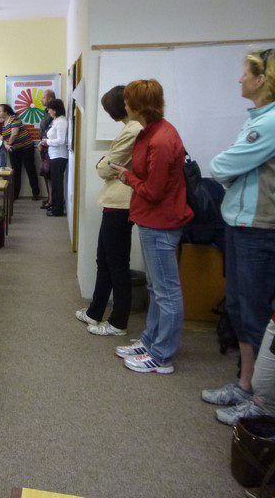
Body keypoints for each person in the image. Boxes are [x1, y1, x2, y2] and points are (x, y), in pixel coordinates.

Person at [202, 48, 275, 420]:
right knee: (239, 309)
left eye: (245, 73)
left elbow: (221, 165)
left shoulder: (271, 122)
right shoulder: (257, 119)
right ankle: (245, 386)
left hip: (258, 228)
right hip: (240, 223)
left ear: (262, 80)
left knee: (254, 312)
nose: (239, 78)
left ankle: (263, 403)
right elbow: (231, 167)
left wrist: (229, 169)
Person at [110, 79, 193, 374]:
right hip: (151, 218)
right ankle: (150, 341)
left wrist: (127, 177)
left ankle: (162, 355)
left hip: (161, 220)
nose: (125, 105)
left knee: (166, 291)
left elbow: (154, 191)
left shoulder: (161, 139)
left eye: (128, 101)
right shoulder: (152, 131)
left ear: (138, 105)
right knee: (156, 288)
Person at [75, 86, 142, 336]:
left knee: (117, 264)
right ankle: (95, 311)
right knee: (104, 260)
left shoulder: (134, 129)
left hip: (121, 203)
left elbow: (105, 169)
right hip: (115, 201)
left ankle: (118, 322)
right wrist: (106, 162)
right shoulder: (129, 128)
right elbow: (110, 163)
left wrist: (104, 162)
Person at [0, 104, 41, 201]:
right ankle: (15, 194)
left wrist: (8, 144)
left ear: (6, 112)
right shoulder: (3, 122)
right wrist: (5, 144)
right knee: (15, 172)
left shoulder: (14, 119)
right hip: (14, 149)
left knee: (30, 170)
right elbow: (4, 137)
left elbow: (14, 134)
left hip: (26, 148)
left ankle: (36, 193)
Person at [38, 90, 56, 207]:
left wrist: (43, 143)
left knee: (49, 175)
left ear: (50, 99)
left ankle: (51, 200)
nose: (41, 100)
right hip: (44, 147)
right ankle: (50, 198)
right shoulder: (46, 112)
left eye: (43, 98)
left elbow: (49, 132)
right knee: (46, 174)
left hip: (48, 148)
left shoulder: (53, 114)